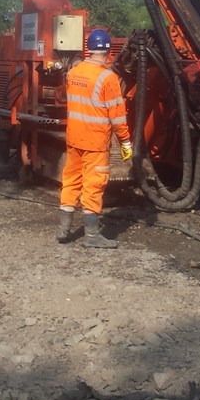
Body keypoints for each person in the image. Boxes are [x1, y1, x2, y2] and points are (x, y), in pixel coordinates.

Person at [58, 29, 132, 248]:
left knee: (70, 181)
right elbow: (117, 116)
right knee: (93, 185)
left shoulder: (74, 72)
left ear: (88, 50)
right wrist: (125, 142)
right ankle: (91, 236)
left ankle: (63, 230)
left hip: (74, 139)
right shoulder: (108, 78)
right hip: (95, 142)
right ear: (109, 51)